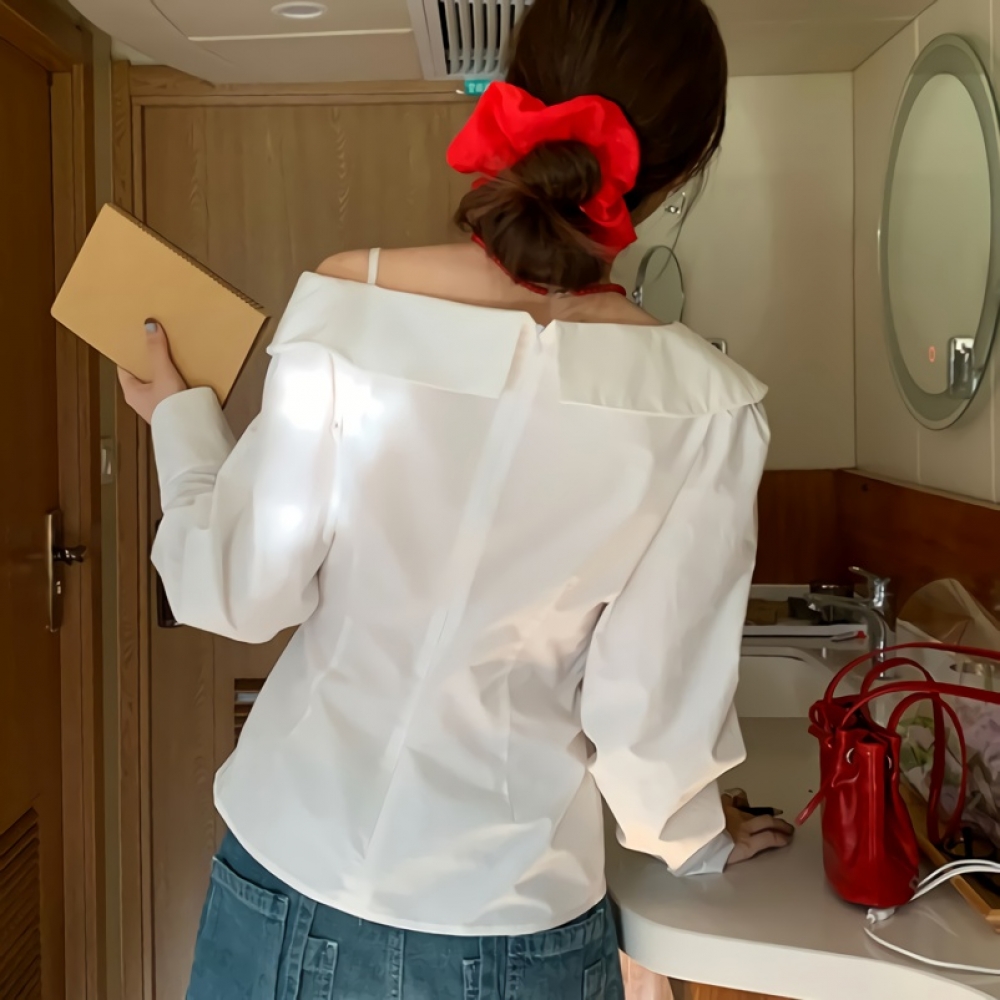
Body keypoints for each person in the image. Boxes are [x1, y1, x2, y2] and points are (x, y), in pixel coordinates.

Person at [120, 0, 793, 996]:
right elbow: (647, 717)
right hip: (510, 918)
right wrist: (696, 837)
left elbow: (239, 592)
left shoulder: (352, 299)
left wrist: (180, 420)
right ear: (681, 171)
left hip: (284, 877)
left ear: (515, 90)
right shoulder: (708, 409)